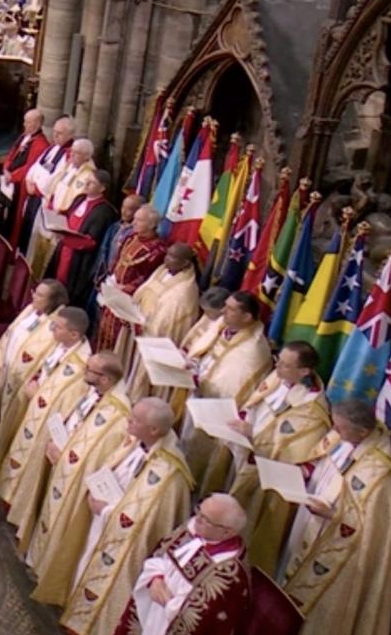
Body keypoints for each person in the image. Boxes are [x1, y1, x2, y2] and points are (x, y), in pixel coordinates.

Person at [277, 398, 391, 635]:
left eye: (340, 428)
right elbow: (324, 463)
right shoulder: (345, 435)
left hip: (345, 553)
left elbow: (370, 528)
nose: (334, 431)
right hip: (313, 523)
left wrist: (332, 516)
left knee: (327, 608)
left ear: (361, 433)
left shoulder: (380, 476)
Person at [58, 397, 193, 635]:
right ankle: (78, 614)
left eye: (136, 420)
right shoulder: (137, 442)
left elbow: (143, 521)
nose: (129, 421)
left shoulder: (170, 474)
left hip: (123, 541)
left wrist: (106, 511)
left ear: (154, 430)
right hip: (102, 519)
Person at [101, 495, 251, 635]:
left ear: (226, 532)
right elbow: (161, 553)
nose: (197, 519)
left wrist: (170, 604)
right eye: (199, 511)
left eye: (205, 519)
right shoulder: (192, 530)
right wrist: (155, 578)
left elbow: (204, 617)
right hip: (153, 615)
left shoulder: (230, 575)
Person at [23, 352, 133, 604]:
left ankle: (46, 565)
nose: (85, 371)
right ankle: (36, 556)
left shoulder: (118, 416)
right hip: (60, 462)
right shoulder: (95, 393)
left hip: (73, 480)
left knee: (59, 521)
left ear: (105, 379)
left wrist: (64, 456)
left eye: (90, 370)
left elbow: (97, 458)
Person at [225, 342, 332, 571]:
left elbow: (297, 455)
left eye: (285, 364)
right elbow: (255, 404)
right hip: (250, 457)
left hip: (271, 478)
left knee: (252, 526)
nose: (277, 367)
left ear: (304, 371)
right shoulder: (278, 377)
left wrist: (253, 433)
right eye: (278, 360)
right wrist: (244, 419)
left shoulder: (312, 411)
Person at [0, 305, 91, 498]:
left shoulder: (81, 369)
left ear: (74, 335)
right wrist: (33, 380)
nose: (52, 329)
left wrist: (37, 394)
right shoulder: (60, 344)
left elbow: (65, 405)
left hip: (42, 423)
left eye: (58, 327)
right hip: (30, 405)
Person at [0, 278, 69, 456]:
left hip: (20, 380)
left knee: (7, 416)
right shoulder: (31, 310)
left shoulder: (53, 329)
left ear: (52, 301)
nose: (33, 296)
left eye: (40, 295)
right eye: (35, 291)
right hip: (6, 366)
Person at [181, 290, 273, 484]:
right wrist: (192, 362)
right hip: (198, 397)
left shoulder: (253, 350)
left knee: (202, 458)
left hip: (215, 411)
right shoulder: (224, 325)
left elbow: (232, 389)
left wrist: (199, 381)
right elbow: (204, 352)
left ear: (246, 317)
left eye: (230, 309)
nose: (223, 311)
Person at [117, 243, 199, 396]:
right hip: (137, 324)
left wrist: (143, 326)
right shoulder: (161, 271)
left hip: (151, 334)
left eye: (173, 257)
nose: (166, 259)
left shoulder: (185, 291)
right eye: (167, 254)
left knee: (140, 377)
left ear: (185, 263)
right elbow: (143, 292)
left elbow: (166, 322)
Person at [94, 207, 169, 350]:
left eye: (139, 220)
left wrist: (127, 289)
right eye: (134, 219)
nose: (133, 223)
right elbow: (117, 261)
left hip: (129, 301)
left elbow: (149, 279)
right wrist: (111, 278)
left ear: (151, 225)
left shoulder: (157, 250)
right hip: (113, 292)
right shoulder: (130, 238)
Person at [46, 170, 119, 312]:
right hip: (64, 249)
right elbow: (69, 215)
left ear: (102, 188)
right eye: (87, 181)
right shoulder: (80, 198)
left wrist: (67, 238)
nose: (86, 184)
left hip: (79, 259)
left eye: (91, 183)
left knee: (67, 293)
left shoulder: (104, 211)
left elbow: (92, 241)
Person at [29, 137, 95, 279]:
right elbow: (54, 185)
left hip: (61, 220)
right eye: (72, 151)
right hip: (50, 213)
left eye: (77, 153)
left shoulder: (88, 176)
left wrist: (61, 211)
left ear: (87, 156)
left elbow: (77, 201)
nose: (72, 155)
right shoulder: (69, 167)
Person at [17, 115, 75, 253]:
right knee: (25, 231)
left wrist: (36, 188)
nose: (55, 135)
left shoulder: (68, 155)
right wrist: (29, 181)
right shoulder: (52, 148)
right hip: (32, 194)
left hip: (42, 199)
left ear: (70, 135)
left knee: (33, 238)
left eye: (59, 133)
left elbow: (55, 178)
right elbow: (36, 166)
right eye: (54, 132)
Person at [0, 108, 50, 247]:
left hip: (20, 188)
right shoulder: (24, 136)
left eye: (27, 122)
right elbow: (12, 153)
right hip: (9, 183)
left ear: (37, 124)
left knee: (14, 220)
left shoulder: (41, 144)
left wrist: (13, 176)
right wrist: (6, 168)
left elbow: (30, 167)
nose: (24, 125)